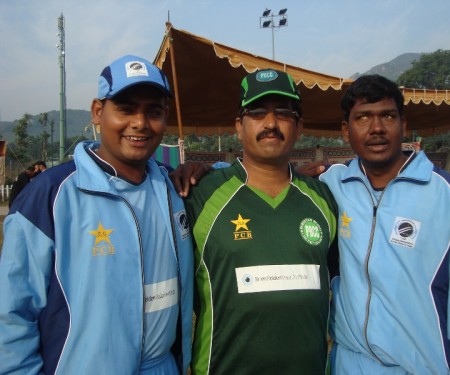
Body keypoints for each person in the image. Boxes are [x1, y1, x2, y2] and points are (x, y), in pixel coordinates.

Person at [0, 55, 193, 375]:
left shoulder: (174, 187)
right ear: (97, 113)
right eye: (126, 109)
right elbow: (12, 315)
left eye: (153, 111)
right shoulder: (51, 196)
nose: (140, 123)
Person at [318, 74, 450, 373]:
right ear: (345, 130)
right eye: (363, 117)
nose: (376, 128)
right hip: (349, 365)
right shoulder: (332, 185)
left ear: (403, 123)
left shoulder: (447, 195)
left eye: (387, 116)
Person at [180, 69, 339, 375]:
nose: (270, 124)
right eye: (256, 113)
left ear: (299, 126)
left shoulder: (325, 199)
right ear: (239, 126)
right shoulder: (200, 195)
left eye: (283, 113)